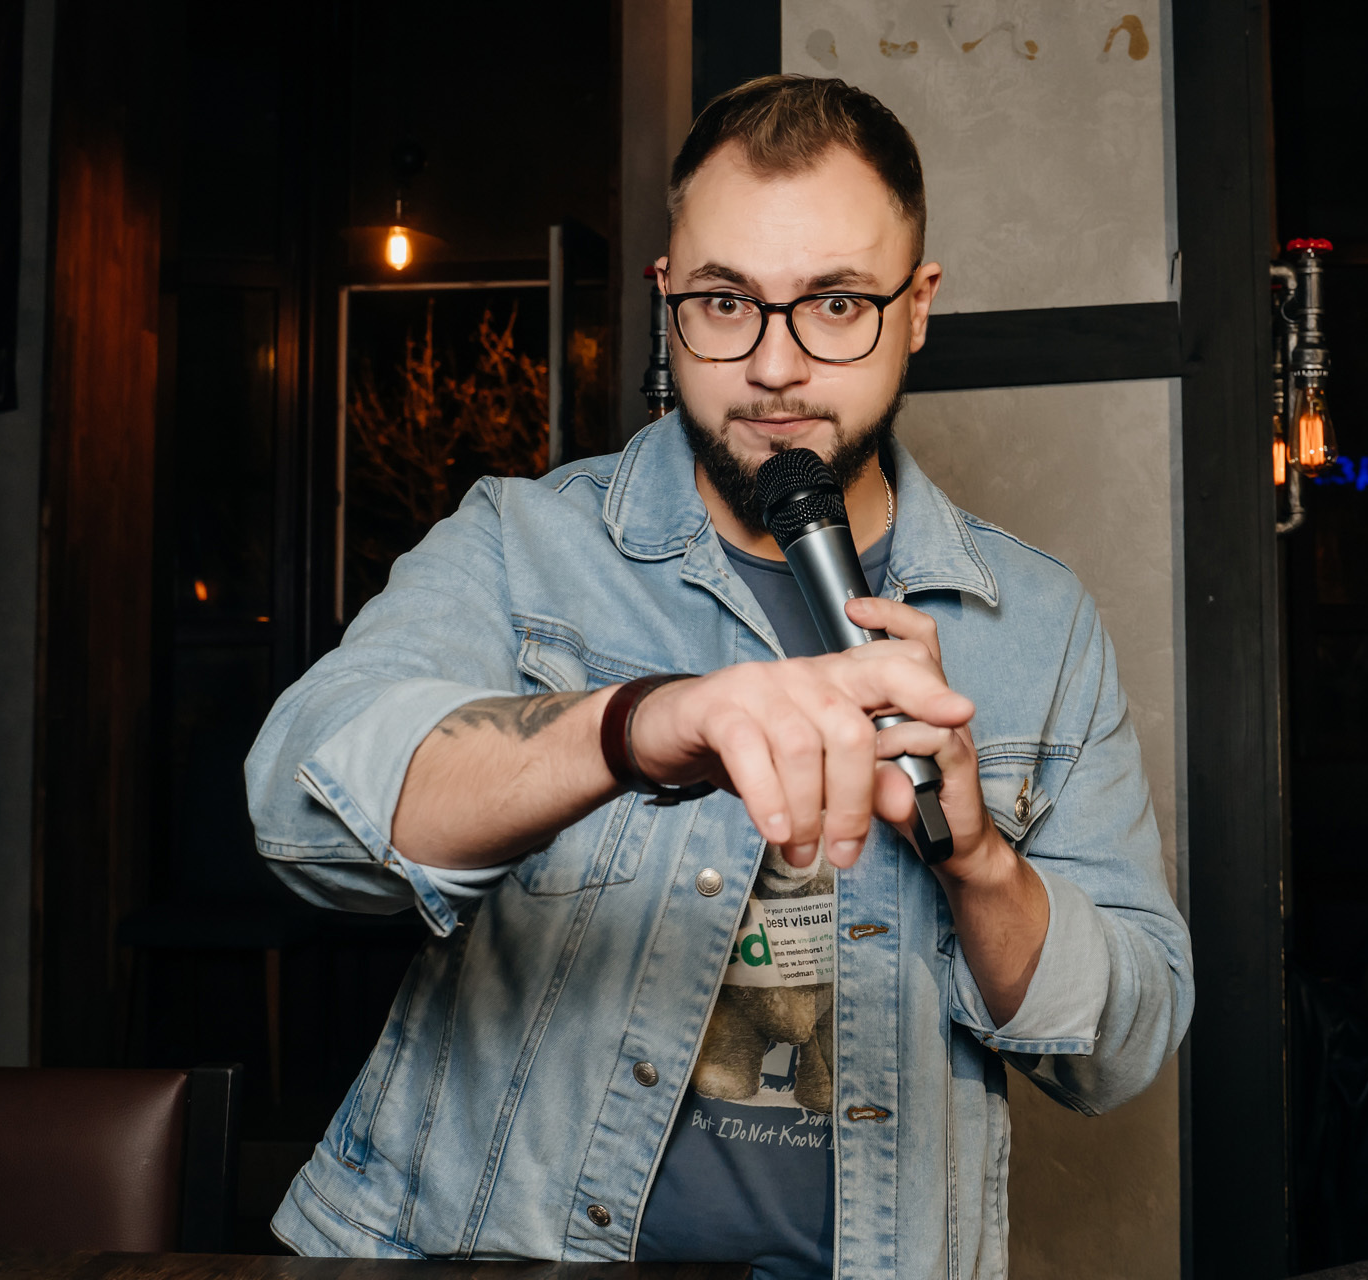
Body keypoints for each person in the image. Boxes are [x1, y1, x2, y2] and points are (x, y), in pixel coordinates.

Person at [246, 74, 1193, 1280]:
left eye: (837, 303)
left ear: (916, 308)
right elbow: (300, 811)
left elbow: (1122, 1049)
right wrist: (630, 728)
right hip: (485, 1256)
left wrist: (977, 861)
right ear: (667, 299)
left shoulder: (1039, 628)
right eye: (726, 302)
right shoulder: (521, 544)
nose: (775, 367)